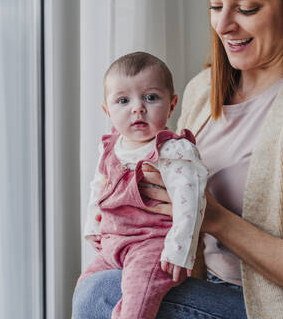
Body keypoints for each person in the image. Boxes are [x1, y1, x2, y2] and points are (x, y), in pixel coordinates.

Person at [72, 0, 283, 318]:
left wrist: (215, 219)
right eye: (215, 5)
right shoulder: (203, 91)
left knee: (102, 292)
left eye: (246, 7)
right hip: (204, 286)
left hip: (271, 308)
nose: (223, 24)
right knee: (96, 280)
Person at [74, 52, 209, 319]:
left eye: (151, 97)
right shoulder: (110, 146)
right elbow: (98, 188)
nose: (138, 108)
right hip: (115, 241)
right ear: (107, 111)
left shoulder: (173, 151)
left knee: (137, 302)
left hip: (152, 245)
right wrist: (94, 228)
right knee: (85, 291)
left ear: (172, 105)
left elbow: (191, 203)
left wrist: (180, 250)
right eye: (123, 100)